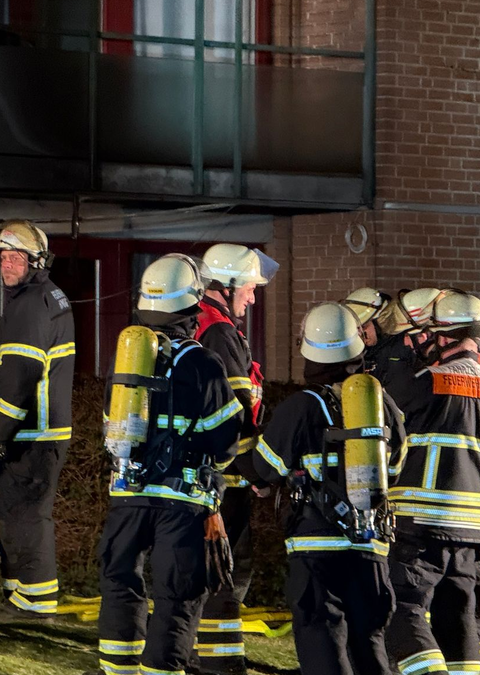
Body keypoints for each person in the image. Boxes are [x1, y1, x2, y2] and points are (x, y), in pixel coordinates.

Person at [96, 254, 244, 675]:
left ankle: (118, 669)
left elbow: (110, 422)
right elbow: (225, 441)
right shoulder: (203, 363)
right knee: (177, 594)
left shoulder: (126, 358)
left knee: (120, 582)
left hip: (128, 494)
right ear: (191, 308)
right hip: (181, 503)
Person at [384, 292, 480, 675]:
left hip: (418, 528)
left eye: (428, 334)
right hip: (472, 533)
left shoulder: (422, 384)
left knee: (402, 608)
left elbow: (382, 432)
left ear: (443, 336)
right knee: (459, 616)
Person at [252, 302, 406, 674]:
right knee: (369, 647)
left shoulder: (301, 407)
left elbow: (265, 468)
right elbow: (396, 468)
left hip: (316, 550)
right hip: (370, 546)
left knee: (323, 644)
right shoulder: (383, 404)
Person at [0, 220, 74, 618]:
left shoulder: (30, 305)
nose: (7, 264)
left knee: (27, 516)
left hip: (30, 434)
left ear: (36, 261)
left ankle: (35, 602)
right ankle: (19, 596)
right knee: (14, 515)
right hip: (34, 432)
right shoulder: (42, 297)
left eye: (16, 257)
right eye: (3, 256)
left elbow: (20, 378)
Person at [193, 243, 278, 675]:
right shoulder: (220, 334)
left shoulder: (207, 324)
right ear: (226, 286)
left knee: (207, 567)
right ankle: (219, 660)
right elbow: (237, 415)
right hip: (224, 476)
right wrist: (257, 473)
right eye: (249, 287)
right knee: (228, 568)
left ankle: (196, 651)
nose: (253, 297)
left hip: (210, 473)